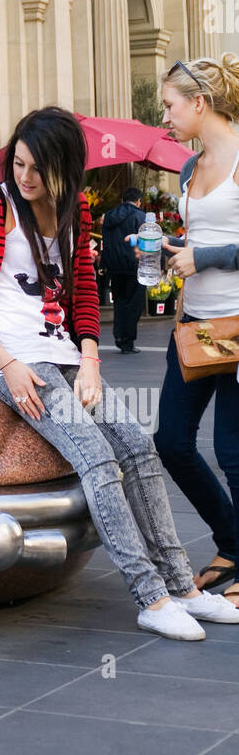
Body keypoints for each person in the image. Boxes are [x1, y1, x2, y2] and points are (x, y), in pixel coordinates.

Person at [0, 105, 238, 639]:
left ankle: (182, 586)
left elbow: (83, 287)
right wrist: (5, 363)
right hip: (12, 356)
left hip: (63, 349)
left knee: (138, 444)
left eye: (37, 168)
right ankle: (150, 597)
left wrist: (90, 358)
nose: (25, 177)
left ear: (65, 168)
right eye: (17, 164)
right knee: (97, 457)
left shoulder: (74, 210)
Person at [153, 54, 239, 610]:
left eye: (169, 105)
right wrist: (171, 254)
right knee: (172, 442)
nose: (165, 117)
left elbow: (213, 246)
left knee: (233, 452)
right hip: (193, 324)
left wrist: (202, 256)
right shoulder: (188, 168)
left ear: (199, 103)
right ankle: (232, 543)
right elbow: (197, 237)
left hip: (237, 326)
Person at [100, 186, 147, 353]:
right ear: (138, 201)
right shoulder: (141, 217)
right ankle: (127, 340)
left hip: (114, 266)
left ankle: (119, 336)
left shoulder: (108, 217)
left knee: (119, 302)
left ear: (122, 200)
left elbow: (105, 242)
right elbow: (148, 243)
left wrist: (103, 265)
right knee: (134, 303)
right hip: (135, 266)